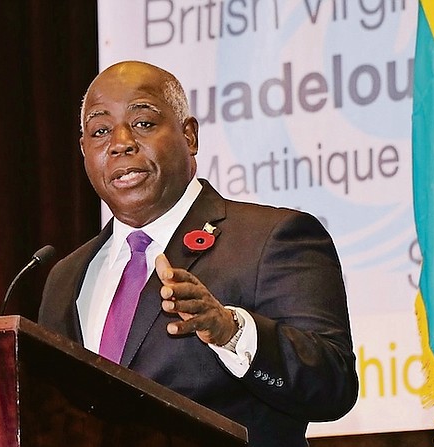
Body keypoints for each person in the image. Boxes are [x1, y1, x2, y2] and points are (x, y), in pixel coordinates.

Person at [38, 60, 358, 447]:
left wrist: (231, 331)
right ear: (84, 151)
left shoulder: (271, 239)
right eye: (100, 130)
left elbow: (332, 384)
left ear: (189, 136)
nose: (120, 143)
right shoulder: (65, 278)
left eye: (143, 123)